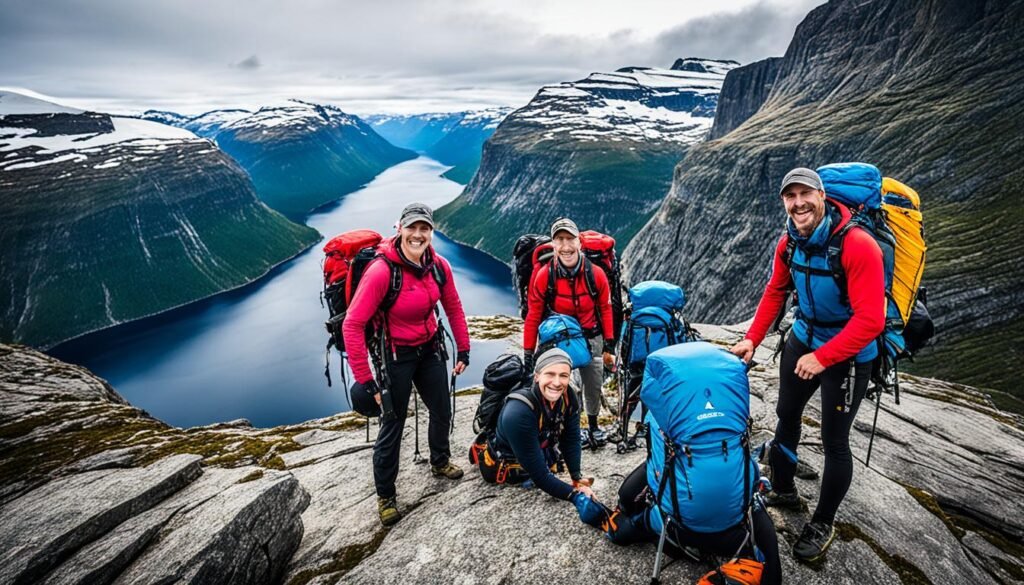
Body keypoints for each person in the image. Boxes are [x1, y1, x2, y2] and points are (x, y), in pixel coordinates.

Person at [730, 167, 885, 563]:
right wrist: (752, 338)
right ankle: (783, 488)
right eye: (790, 196)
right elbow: (776, 290)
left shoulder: (858, 245)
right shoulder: (788, 243)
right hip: (804, 337)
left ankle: (823, 522)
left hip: (848, 353)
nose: (798, 203)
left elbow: (871, 321)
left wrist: (824, 358)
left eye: (805, 194)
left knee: (835, 440)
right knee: (786, 413)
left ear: (821, 195)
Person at [345, 202, 471, 527]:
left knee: (442, 409)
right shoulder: (382, 271)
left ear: (431, 232)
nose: (418, 234)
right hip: (395, 354)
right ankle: (386, 496)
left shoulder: (438, 266)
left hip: (429, 348)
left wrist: (464, 349)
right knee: (394, 423)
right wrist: (366, 379)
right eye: (412, 227)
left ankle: (439, 460)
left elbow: (453, 306)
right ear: (399, 228)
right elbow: (352, 324)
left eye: (424, 228)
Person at [522, 218, 615, 447]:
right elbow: (533, 314)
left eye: (570, 239)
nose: (565, 246)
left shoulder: (597, 275)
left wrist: (609, 346)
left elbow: (605, 308)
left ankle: (593, 427)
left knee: (593, 384)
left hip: (591, 337)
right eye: (559, 240)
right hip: (561, 339)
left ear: (579, 243)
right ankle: (570, 428)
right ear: (553, 244)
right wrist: (528, 352)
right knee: (566, 386)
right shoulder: (545, 275)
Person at [612, 463, 781, 585]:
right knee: (754, 501)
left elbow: (638, 493)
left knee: (629, 513)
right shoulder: (731, 425)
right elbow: (751, 478)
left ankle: (618, 521)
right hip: (733, 540)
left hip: (678, 534)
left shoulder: (661, 424)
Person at [479, 348, 598, 505]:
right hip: (512, 470)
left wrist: (576, 477)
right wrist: (576, 496)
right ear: (536, 377)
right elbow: (540, 476)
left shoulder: (568, 396)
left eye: (563, 376)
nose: (556, 382)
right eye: (550, 374)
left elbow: (571, 438)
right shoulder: (518, 412)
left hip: (540, 452)